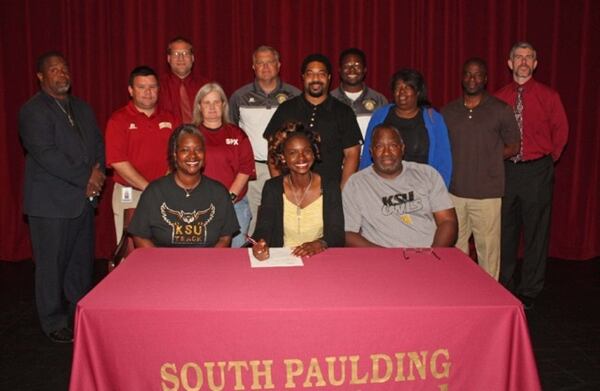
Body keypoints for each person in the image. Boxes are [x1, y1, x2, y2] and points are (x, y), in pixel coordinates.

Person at [19, 51, 106, 343]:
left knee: (80, 263)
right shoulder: (33, 111)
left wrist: (98, 174)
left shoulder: (81, 108)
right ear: (41, 76)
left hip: (82, 201)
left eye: (65, 69)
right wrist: (87, 178)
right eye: (54, 70)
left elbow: (97, 143)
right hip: (50, 204)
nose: (62, 74)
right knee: (51, 265)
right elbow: (47, 155)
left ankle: (78, 313)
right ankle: (53, 320)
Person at [494, 42, 568, 308]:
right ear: (510, 63)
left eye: (528, 57)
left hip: (537, 170)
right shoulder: (499, 97)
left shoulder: (549, 96)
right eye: (518, 57)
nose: (523, 62)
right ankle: (503, 282)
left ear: (535, 64)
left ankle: (531, 288)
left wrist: (547, 160)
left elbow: (561, 131)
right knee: (506, 229)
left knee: (537, 231)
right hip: (507, 171)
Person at [442, 58, 521, 280]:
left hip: (487, 195)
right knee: (455, 250)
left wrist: (490, 159)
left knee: (488, 251)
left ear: (485, 79)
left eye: (477, 75)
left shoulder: (501, 110)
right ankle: (459, 293)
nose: (472, 79)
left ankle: (490, 297)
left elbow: (514, 145)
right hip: (454, 193)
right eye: (468, 74)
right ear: (461, 78)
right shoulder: (449, 111)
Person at [344, 125, 457, 248]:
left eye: (393, 146)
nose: (386, 153)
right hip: (383, 259)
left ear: (402, 148)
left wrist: (432, 255)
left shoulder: (427, 174)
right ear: (371, 152)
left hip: (427, 253)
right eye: (379, 146)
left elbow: (447, 221)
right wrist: (388, 257)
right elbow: (348, 233)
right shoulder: (356, 183)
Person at [229, 45, 301, 234]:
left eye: (270, 62)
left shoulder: (294, 95)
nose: (265, 67)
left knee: (286, 213)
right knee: (252, 217)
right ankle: (251, 254)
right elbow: (232, 133)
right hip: (253, 169)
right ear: (253, 67)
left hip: (286, 166)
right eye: (260, 63)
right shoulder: (239, 97)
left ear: (279, 65)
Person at [128, 125, 239, 247]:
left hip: (206, 263)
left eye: (198, 149)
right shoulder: (154, 192)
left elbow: (225, 237)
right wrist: (159, 263)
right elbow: (140, 236)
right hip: (163, 264)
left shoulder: (219, 193)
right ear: (175, 155)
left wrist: (209, 263)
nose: (193, 156)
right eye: (185, 150)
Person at [264, 53, 363, 188]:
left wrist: (342, 193)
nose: (315, 79)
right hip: (291, 192)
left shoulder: (343, 112)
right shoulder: (286, 109)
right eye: (310, 74)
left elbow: (352, 154)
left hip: (329, 191)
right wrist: (280, 188)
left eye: (321, 74)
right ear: (303, 77)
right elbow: (272, 151)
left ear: (329, 78)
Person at [106, 66, 178, 243]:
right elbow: (118, 161)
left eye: (152, 87)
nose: (148, 92)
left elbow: (178, 155)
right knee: (130, 250)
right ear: (131, 90)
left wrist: (164, 186)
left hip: (166, 193)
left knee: (164, 249)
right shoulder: (118, 119)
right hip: (130, 194)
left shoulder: (171, 118)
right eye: (142, 87)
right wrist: (150, 188)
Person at [251, 122, 344, 260]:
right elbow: (263, 228)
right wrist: (260, 244)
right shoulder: (272, 188)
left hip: (320, 257)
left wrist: (320, 243)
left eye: (306, 150)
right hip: (283, 259)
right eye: (293, 153)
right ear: (283, 158)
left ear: (314, 153)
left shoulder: (330, 186)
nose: (301, 158)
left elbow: (337, 234)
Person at [359, 68, 452, 187]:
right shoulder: (380, 115)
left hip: (422, 188)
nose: (401, 92)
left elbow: (444, 160)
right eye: (398, 88)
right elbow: (368, 153)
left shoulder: (434, 119)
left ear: (418, 92)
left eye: (407, 87)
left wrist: (440, 191)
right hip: (383, 188)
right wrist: (365, 186)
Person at [192, 83, 255, 248]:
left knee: (236, 257)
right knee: (203, 258)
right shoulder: (190, 134)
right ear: (199, 106)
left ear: (223, 105)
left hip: (235, 206)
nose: (212, 107)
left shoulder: (237, 134)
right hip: (199, 207)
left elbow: (245, 168)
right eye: (207, 102)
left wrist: (227, 200)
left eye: (216, 102)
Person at [331, 48, 388, 140]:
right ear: (339, 70)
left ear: (365, 70)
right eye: (347, 66)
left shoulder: (379, 100)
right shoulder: (330, 99)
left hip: (370, 154)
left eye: (357, 66)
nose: (352, 70)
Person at [159, 36, 209, 123]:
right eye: (176, 54)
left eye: (185, 53)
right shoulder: (157, 87)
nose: (181, 58)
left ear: (192, 58)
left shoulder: (205, 86)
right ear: (169, 59)